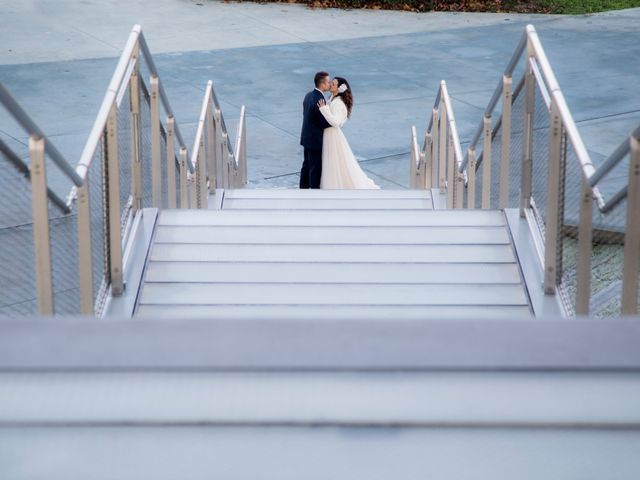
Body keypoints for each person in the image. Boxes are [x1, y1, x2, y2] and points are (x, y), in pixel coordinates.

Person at [317, 77, 379, 189]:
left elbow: (336, 122)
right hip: (329, 134)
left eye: (333, 83)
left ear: (339, 89)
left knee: (334, 162)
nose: (330, 84)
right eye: (331, 82)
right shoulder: (332, 99)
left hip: (332, 136)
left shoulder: (338, 103)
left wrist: (323, 109)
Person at [299, 72, 332, 189]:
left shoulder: (308, 95)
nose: (330, 84)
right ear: (322, 84)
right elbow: (323, 122)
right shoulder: (319, 100)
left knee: (306, 165)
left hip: (306, 137)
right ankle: (314, 193)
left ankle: (302, 189)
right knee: (315, 168)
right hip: (315, 139)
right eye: (328, 82)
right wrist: (334, 121)